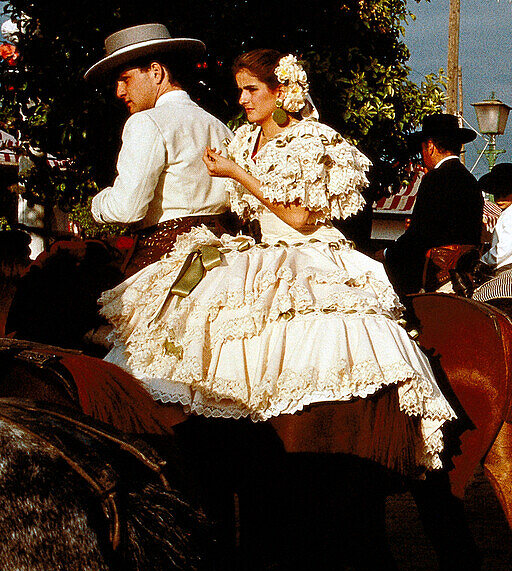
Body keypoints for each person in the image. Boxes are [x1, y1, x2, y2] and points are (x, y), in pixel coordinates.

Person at [98, 50, 455, 469]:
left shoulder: (309, 139)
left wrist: (237, 174)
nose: (243, 100)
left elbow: (300, 218)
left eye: (252, 90)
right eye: (240, 91)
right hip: (257, 248)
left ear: (281, 89)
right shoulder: (242, 139)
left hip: (305, 250)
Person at [84, 23, 234, 275]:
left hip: (167, 256)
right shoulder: (219, 126)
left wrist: (98, 205)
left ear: (156, 72)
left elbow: (127, 209)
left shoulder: (146, 122)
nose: (120, 92)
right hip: (226, 257)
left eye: (125, 79)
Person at [385, 114, 483, 296]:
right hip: (466, 274)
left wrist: (386, 253)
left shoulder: (434, 178)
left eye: (422, 148)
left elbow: (420, 236)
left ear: (430, 146)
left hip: (438, 276)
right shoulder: (471, 180)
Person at [478, 162, 512, 272]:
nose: (500, 199)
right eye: (497, 195)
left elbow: (504, 248)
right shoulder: (511, 212)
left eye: (505, 194)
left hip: (510, 267)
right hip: (510, 264)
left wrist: (483, 261)